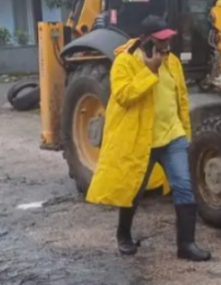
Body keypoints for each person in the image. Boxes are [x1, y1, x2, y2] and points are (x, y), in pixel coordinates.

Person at [85, 15, 211, 262]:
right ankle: (123, 235)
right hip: (142, 140)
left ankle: (186, 245)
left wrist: (185, 133)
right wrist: (149, 71)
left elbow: (181, 98)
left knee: (184, 186)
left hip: (172, 136)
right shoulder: (124, 62)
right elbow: (123, 96)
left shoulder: (172, 62)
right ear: (145, 40)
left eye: (167, 40)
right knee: (134, 190)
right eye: (160, 41)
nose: (165, 46)